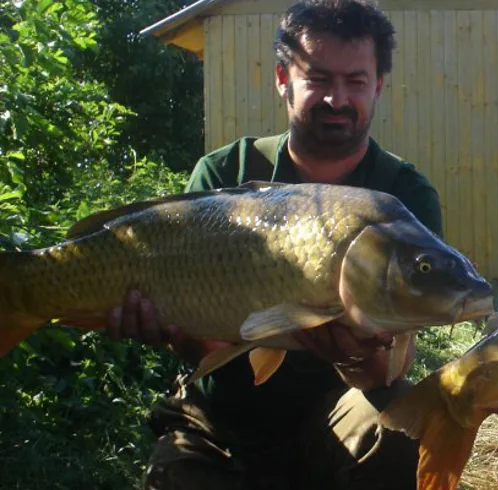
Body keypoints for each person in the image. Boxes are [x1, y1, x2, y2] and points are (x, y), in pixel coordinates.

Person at [106, 1, 440, 488]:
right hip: (222, 418)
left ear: (379, 86)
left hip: (335, 415)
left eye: (356, 81)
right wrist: (179, 331)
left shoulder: (403, 197)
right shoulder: (225, 174)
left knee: (398, 428)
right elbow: (203, 343)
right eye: (319, 79)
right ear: (283, 78)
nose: (337, 99)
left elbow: (386, 370)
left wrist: (352, 356)